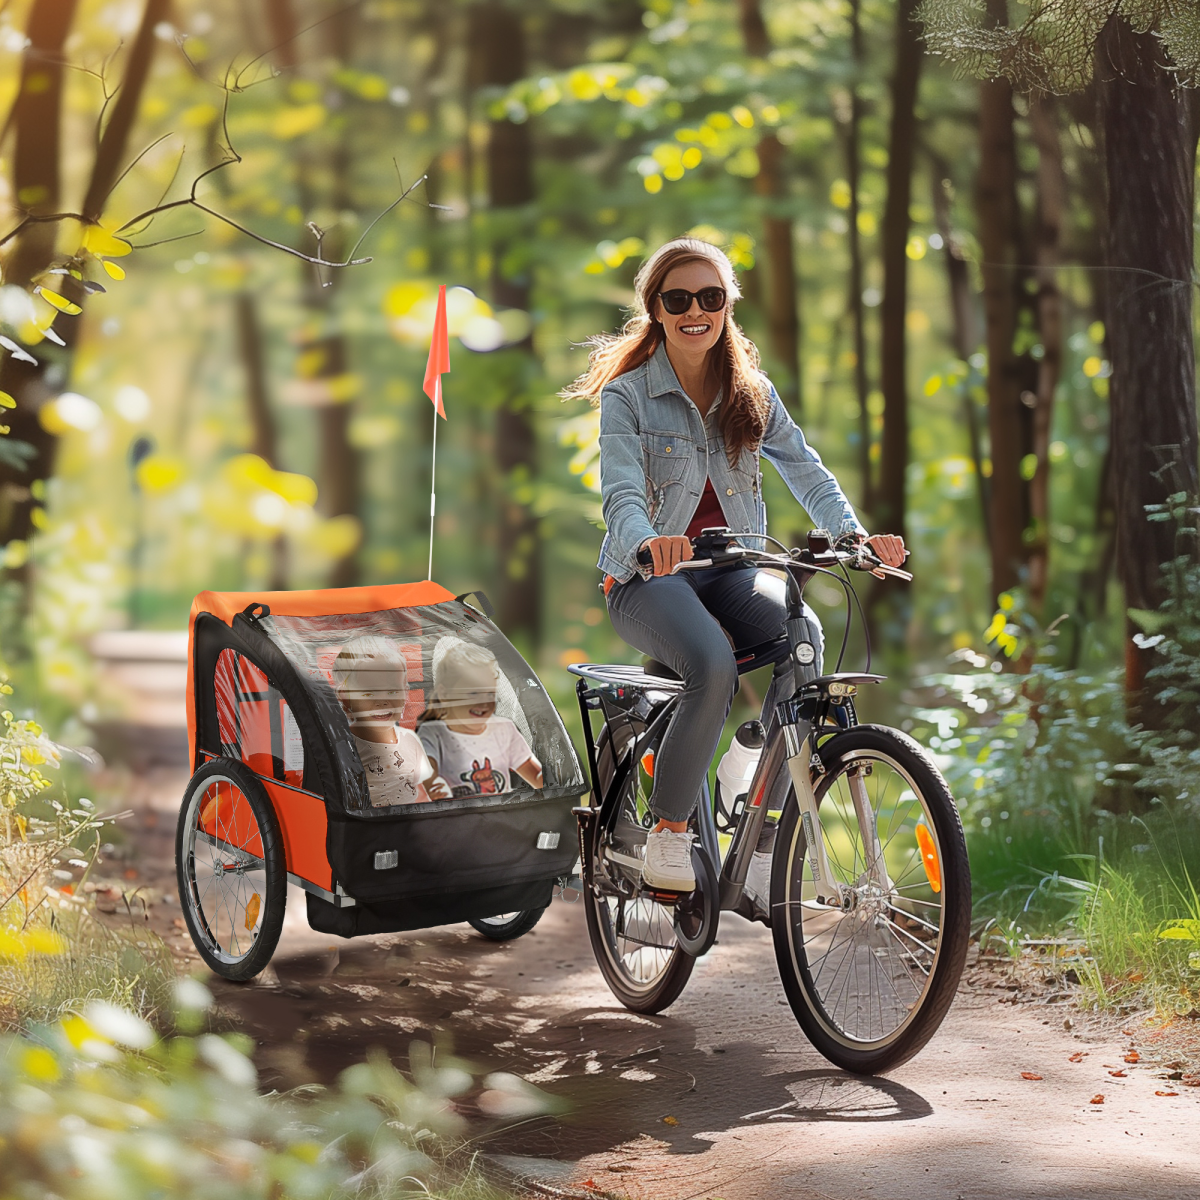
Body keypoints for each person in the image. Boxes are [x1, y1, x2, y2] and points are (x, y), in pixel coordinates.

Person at [562, 236, 906, 892]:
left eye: (710, 297)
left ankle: (755, 785)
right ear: (656, 309)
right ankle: (669, 833)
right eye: (678, 299)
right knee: (712, 662)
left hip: (732, 571)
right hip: (649, 578)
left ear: (727, 304)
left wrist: (855, 538)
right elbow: (621, 492)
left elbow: (807, 471)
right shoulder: (629, 395)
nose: (696, 310)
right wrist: (648, 542)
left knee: (804, 636)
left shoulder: (752, 392)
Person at [332, 636, 449, 806]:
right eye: (369, 693)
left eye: (392, 692)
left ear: (405, 693)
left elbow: (423, 789)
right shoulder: (346, 747)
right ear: (345, 698)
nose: (382, 701)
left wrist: (439, 796)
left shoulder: (410, 740)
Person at [418, 639, 544, 797]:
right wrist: (437, 789)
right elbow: (429, 780)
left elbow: (539, 779)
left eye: (490, 694)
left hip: (503, 812)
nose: (483, 703)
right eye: (473, 693)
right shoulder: (433, 734)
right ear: (444, 694)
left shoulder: (504, 729)